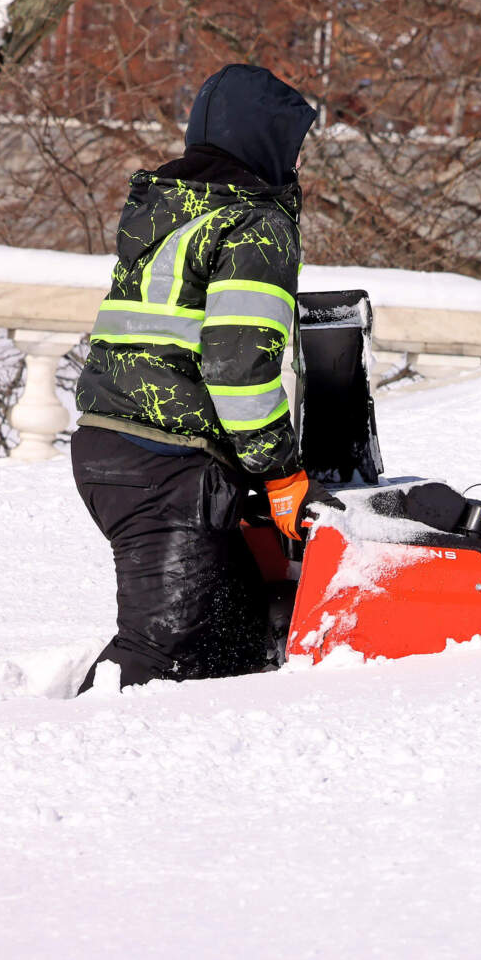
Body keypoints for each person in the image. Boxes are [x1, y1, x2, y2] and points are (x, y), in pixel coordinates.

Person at [71, 64, 329, 687]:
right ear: (269, 142)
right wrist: (282, 474)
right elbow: (237, 368)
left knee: (233, 636)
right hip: (164, 464)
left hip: (110, 445)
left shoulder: (169, 211)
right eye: (293, 148)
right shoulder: (254, 223)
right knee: (158, 645)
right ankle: (58, 759)